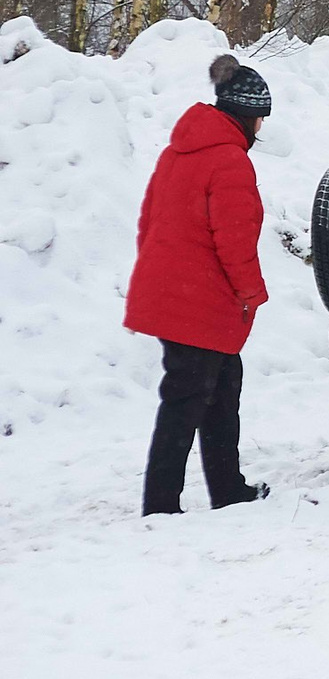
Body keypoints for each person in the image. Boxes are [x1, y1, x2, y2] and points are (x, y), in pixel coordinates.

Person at [129, 55, 273, 516]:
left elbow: (148, 223)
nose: (260, 130)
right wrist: (251, 293)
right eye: (260, 120)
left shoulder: (177, 153)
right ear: (247, 117)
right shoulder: (229, 160)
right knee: (187, 398)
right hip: (201, 298)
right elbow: (234, 239)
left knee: (222, 387)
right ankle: (159, 505)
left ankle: (228, 490)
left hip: (177, 292)